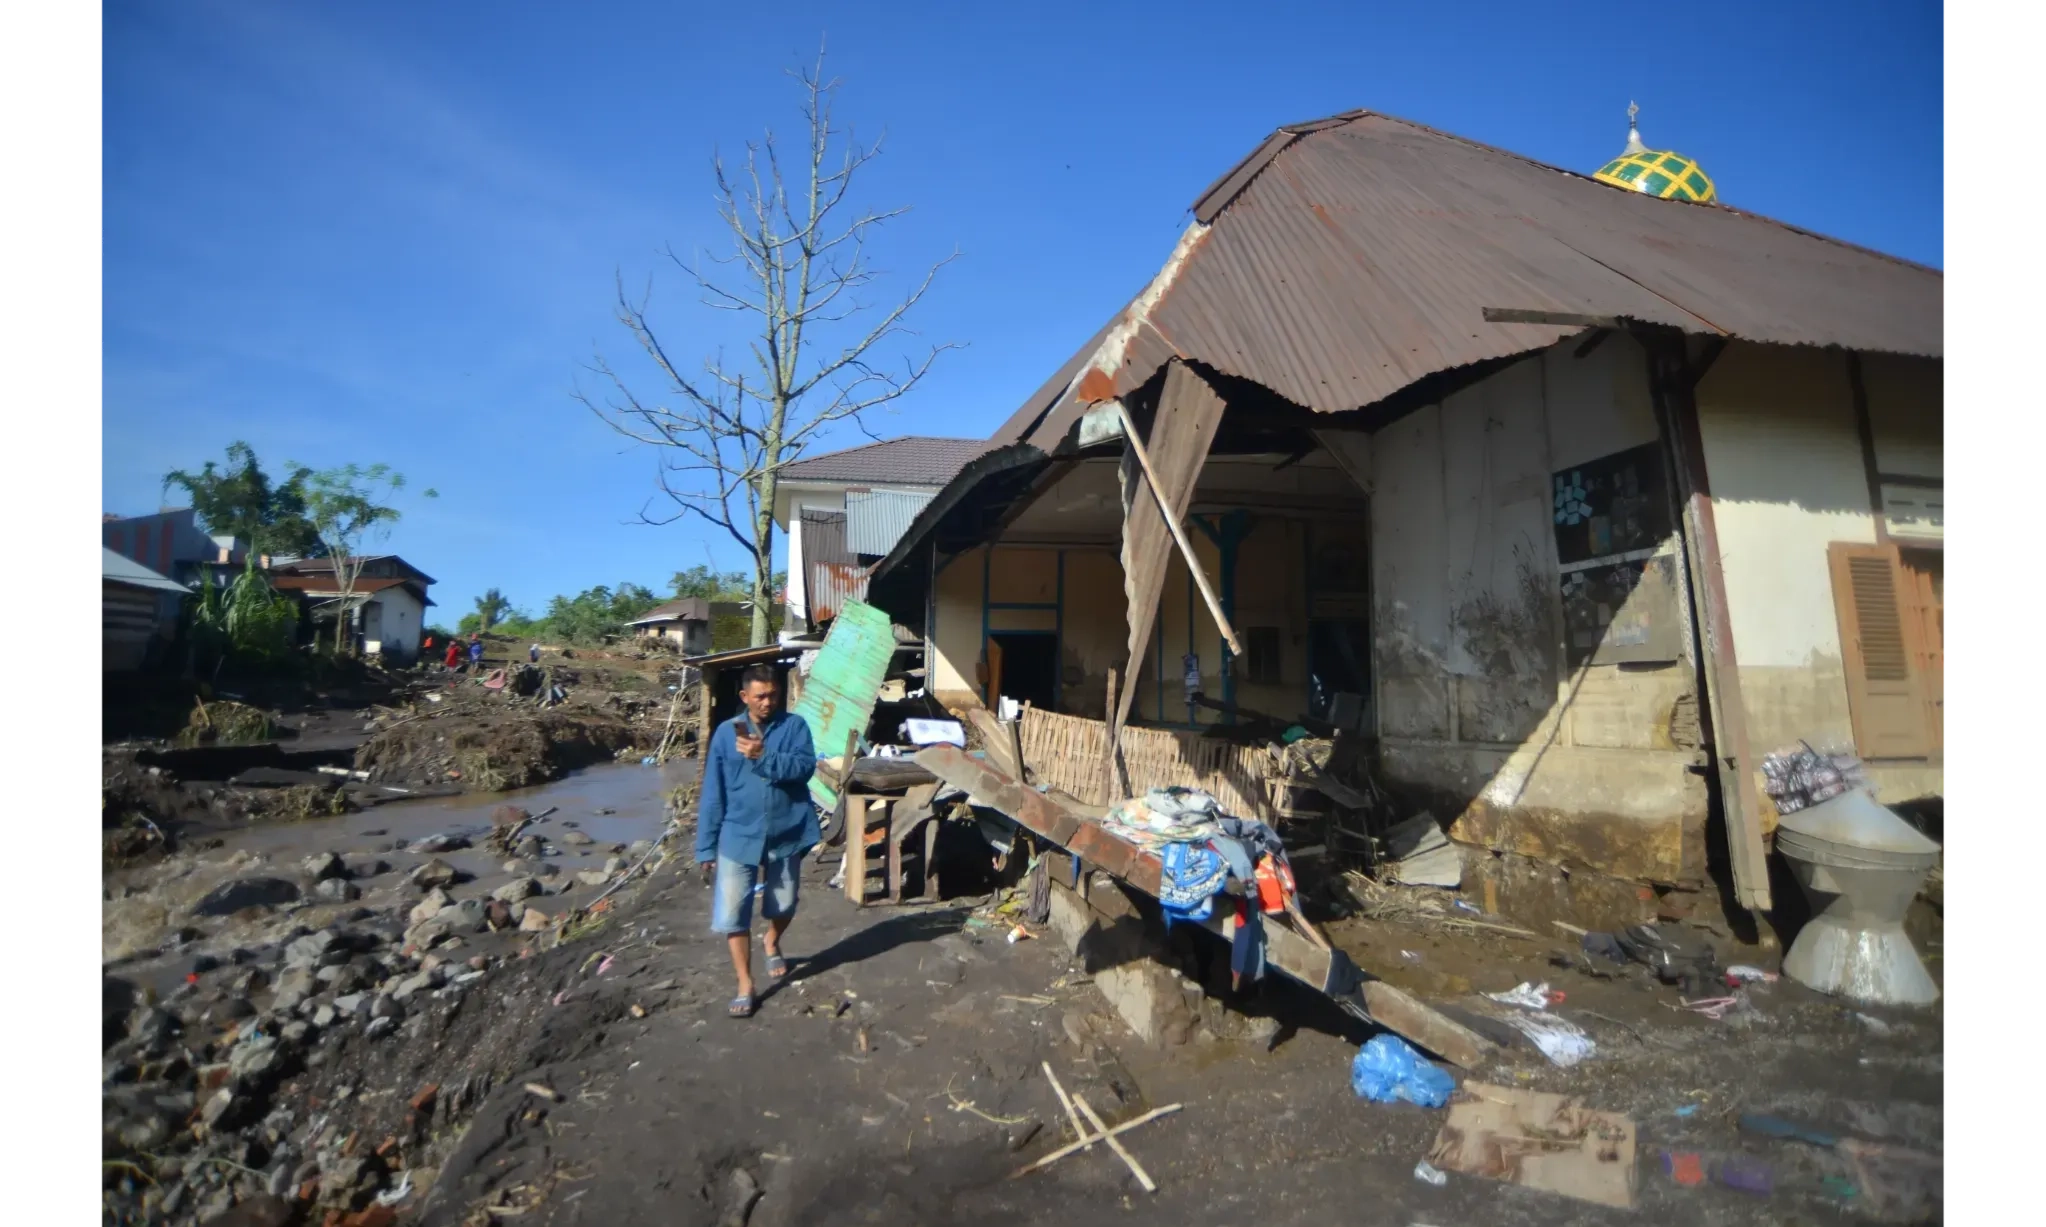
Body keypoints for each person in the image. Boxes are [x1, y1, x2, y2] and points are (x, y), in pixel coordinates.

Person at [695, 663, 817, 1019]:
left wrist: (765, 756)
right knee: (733, 913)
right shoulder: (724, 735)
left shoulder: (794, 727)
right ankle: (745, 984)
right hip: (738, 834)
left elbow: (804, 768)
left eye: (773, 694)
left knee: (784, 904)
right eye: (760, 696)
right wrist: (705, 846)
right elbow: (713, 793)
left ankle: (772, 940)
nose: (768, 702)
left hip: (785, 831)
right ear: (744, 696)